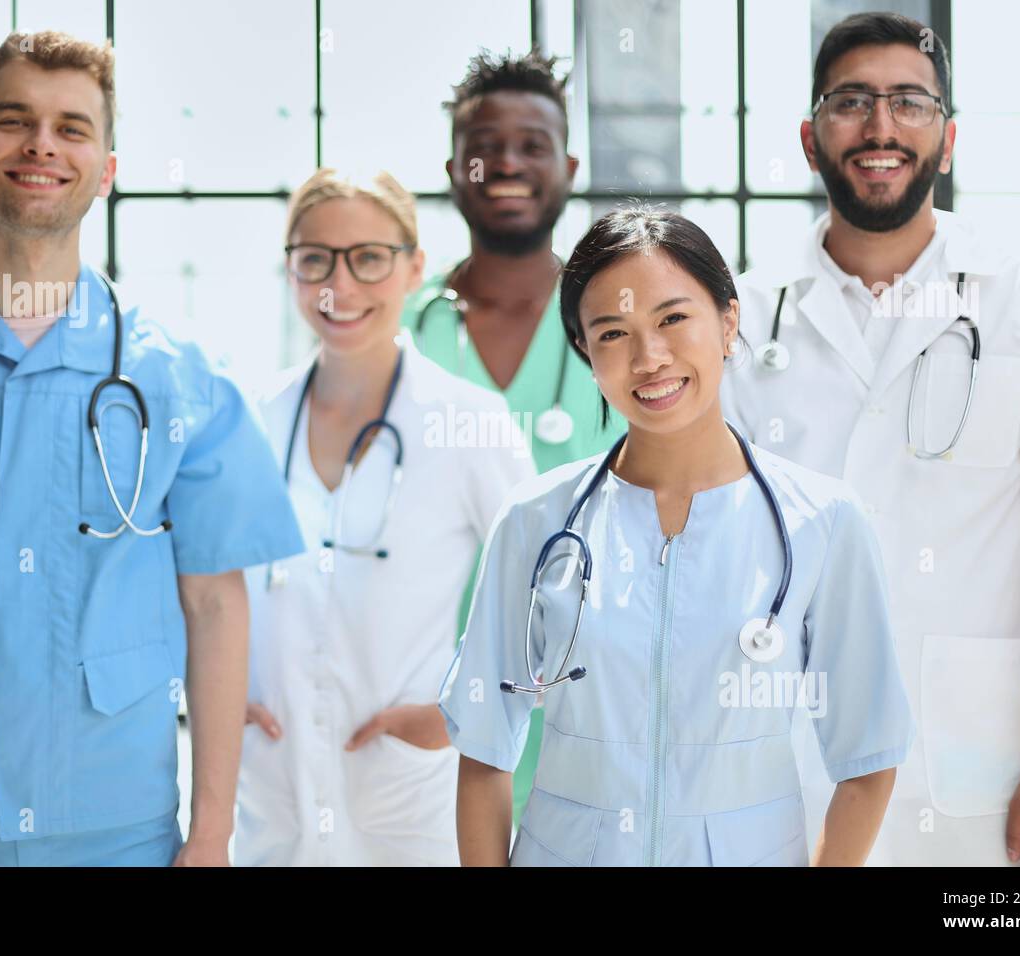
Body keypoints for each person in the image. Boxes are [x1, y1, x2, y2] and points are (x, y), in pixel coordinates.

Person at [0, 31, 302, 867]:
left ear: (107, 168)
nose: (42, 144)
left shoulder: (185, 382)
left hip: (115, 834)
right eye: (15, 121)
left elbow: (219, 611)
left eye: (72, 127)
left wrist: (211, 837)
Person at [721, 12, 1020, 867]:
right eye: (851, 102)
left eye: (909, 103)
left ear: (946, 139)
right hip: (784, 762)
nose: (880, 128)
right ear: (808, 137)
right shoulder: (747, 315)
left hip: (978, 771)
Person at [441, 207, 913, 866]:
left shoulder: (825, 522)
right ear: (586, 353)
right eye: (612, 333)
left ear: (728, 320)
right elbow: (486, 753)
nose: (649, 358)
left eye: (672, 319)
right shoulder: (534, 522)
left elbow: (867, 761)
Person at [234, 169, 535, 866]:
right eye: (315, 260)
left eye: (368, 258)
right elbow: (197, 590)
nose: (339, 285)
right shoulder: (249, 420)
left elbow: (553, 595)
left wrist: (458, 713)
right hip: (271, 798)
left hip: (408, 804)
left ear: (415, 268)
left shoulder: (469, 423)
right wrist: (227, 703)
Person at [403, 48, 626, 826]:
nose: (506, 163)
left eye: (531, 145)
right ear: (454, 167)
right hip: (416, 706)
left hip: (588, 697)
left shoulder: (620, 328)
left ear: (566, 165)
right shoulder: (401, 330)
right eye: (484, 147)